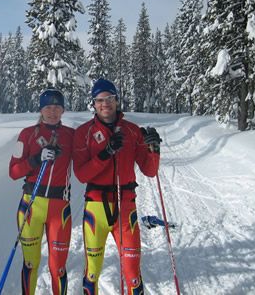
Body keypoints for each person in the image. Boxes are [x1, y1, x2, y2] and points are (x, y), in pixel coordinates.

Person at [73, 78, 162, 295]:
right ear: (93, 103)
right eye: (100, 100)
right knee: (92, 272)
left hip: (126, 208)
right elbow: (81, 174)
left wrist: (154, 149)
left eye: (110, 98)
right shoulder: (83, 133)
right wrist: (105, 153)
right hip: (96, 208)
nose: (105, 104)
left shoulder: (132, 131)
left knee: (132, 273)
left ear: (116, 100)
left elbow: (149, 170)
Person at [9, 88, 75, 295]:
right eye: (48, 107)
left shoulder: (72, 136)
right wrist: (36, 159)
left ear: (63, 110)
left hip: (59, 208)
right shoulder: (27, 134)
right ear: (41, 109)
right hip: (31, 205)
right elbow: (13, 171)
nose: (53, 111)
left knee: (58, 267)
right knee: (30, 263)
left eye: (57, 107)